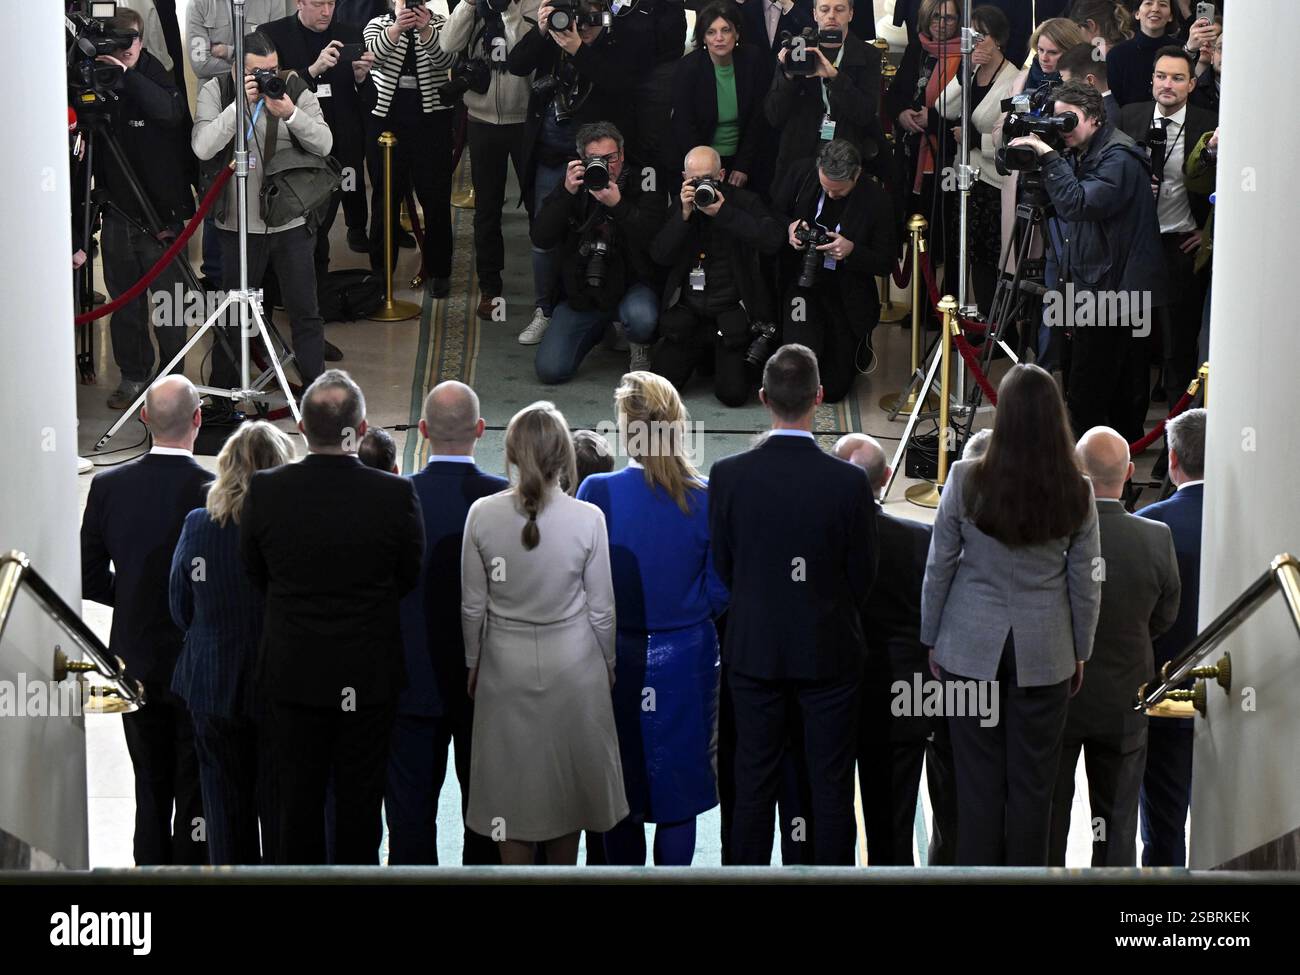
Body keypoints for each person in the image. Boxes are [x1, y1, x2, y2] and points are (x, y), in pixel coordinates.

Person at [240, 370, 424, 864]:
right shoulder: (394, 495)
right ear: (361, 429)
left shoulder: (266, 490)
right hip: (367, 678)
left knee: (296, 804)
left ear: (301, 426)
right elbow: (407, 575)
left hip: (293, 674)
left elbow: (256, 574)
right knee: (360, 807)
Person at [921, 363, 1101, 866]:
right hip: (1046, 652)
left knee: (976, 787)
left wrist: (931, 636)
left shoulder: (965, 477)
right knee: (1033, 789)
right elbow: (1085, 581)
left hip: (968, 647)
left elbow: (940, 565)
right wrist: (1080, 649)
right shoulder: (1079, 490)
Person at [709, 344, 878, 865]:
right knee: (830, 787)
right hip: (827, 656)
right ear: (819, 397)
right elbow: (861, 578)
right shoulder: (848, 482)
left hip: (755, 654)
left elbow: (725, 566)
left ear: (763, 399)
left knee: (753, 783)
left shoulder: (728, 475)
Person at [460, 402, 627, 865]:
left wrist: (473, 662)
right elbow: (602, 611)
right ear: (563, 457)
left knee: (509, 801)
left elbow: (473, 606)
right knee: (566, 794)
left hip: (504, 669)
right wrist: (607, 664)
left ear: (510, 453)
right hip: (574, 669)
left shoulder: (482, 514)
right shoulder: (588, 518)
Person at [576, 373, 729, 865]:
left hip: (615, 659)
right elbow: (721, 591)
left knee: (619, 791)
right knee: (678, 798)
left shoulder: (597, 490)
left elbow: (578, 580)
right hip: (688, 659)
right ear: (678, 426)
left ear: (625, 430)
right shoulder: (707, 498)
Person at [80, 376, 214, 866]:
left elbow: (89, 576)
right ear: (198, 419)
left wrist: (135, 596)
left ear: (143, 418)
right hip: (198, 663)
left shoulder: (109, 485)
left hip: (133, 661)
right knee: (195, 788)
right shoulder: (216, 492)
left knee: (149, 790)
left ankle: (149, 887)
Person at [1048, 426, 1180, 866]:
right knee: (1117, 826)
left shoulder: (1054, 536)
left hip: (1060, 698)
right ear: (1128, 472)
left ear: (1076, 473)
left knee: (1050, 820)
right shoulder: (1155, 537)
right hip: (1126, 701)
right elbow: (1164, 616)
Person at [387, 382, 507, 865]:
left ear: (422, 430)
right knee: (487, 818)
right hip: (488, 686)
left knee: (410, 818)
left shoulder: (396, 496)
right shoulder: (504, 499)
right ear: (480, 430)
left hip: (410, 680)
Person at [1007, 81, 1166, 442]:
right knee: (1093, 384)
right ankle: (1102, 459)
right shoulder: (1085, 149)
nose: (1063, 128)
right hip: (1092, 281)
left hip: (1114, 292)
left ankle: (1096, 467)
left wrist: (1047, 157)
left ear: (1095, 118)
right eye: (1058, 119)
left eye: (1070, 120)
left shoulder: (1119, 157)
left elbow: (1079, 204)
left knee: (1091, 389)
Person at [168, 420, 296, 866]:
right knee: (280, 813)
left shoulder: (200, 524)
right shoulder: (292, 529)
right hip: (280, 688)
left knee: (222, 815)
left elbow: (179, 604)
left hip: (212, 683)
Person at [835, 433, 957, 866]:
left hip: (835, 698)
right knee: (893, 825)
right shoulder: (920, 539)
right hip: (902, 700)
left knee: (828, 825)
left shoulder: (821, 540)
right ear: (887, 478)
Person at [192, 30, 334, 394]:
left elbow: (324, 142)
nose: (268, 77)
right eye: (258, 72)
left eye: (272, 68)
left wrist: (291, 113)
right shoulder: (217, 90)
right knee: (234, 314)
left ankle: (315, 395)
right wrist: (239, 107)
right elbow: (203, 148)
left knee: (304, 311)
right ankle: (224, 396)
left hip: (291, 221)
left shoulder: (293, 87)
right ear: (238, 69)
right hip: (238, 226)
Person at [507, 0, 655, 344]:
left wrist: (579, 50)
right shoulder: (552, 38)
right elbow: (515, 64)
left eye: (591, 20)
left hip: (600, 160)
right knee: (544, 235)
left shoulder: (621, 42)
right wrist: (543, 30)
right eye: (578, 19)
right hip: (551, 155)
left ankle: (609, 307)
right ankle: (545, 309)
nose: (583, 27)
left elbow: (621, 86)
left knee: (604, 230)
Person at [90, 9, 195, 411]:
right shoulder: (97, 78)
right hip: (119, 212)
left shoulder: (157, 72)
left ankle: (172, 384)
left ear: (142, 39)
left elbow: (170, 113)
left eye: (129, 41)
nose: (122, 50)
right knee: (125, 306)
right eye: (114, 42)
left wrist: (128, 75)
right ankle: (133, 376)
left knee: (168, 307)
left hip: (162, 214)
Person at [528, 121, 668, 380]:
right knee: (550, 370)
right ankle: (603, 331)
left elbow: (656, 243)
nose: (606, 165)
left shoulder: (645, 181)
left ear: (622, 155)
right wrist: (566, 193)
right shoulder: (573, 185)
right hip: (583, 292)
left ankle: (638, 341)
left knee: (642, 318)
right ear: (582, 159)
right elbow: (541, 238)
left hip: (632, 284)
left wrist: (619, 206)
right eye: (595, 159)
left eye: (610, 158)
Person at [650, 146, 785, 406]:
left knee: (732, 395)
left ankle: (718, 358)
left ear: (721, 175)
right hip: (690, 312)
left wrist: (724, 214)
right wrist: (684, 216)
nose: (702, 186)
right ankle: (704, 357)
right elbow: (659, 255)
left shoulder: (744, 202)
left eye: (708, 179)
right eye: (694, 180)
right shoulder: (681, 204)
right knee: (660, 384)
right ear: (684, 177)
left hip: (731, 312)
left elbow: (773, 240)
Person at [1118, 47, 1215, 403]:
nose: (1167, 84)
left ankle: (1177, 440)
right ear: (1152, 80)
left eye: (1177, 78)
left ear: (1191, 84)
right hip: (1135, 245)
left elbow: (1226, 185)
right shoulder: (1130, 117)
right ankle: (1129, 431)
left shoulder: (1209, 122)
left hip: (1181, 247)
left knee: (1178, 347)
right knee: (1131, 343)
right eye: (1161, 76)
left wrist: (1206, 233)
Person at [772, 139, 896, 401]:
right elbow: (772, 213)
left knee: (832, 388)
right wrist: (790, 228)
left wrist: (852, 251)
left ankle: (857, 348)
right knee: (798, 368)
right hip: (802, 282)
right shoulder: (801, 173)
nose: (830, 196)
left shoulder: (877, 200)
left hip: (845, 290)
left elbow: (886, 262)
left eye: (838, 192)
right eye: (825, 188)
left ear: (857, 174)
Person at [1136, 406, 1205, 867]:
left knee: (1163, 821)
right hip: (1250, 690)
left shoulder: (1152, 524)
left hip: (1167, 692)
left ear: (1173, 460)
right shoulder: (1258, 518)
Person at [440, 0, 539, 319]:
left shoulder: (536, 4)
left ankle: (546, 292)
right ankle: (490, 289)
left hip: (525, 118)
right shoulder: (474, 6)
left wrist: (510, 12)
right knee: (487, 209)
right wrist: (469, 5)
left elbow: (528, 54)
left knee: (539, 206)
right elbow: (448, 44)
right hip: (482, 120)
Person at [187, 1, 297, 286]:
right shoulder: (201, 4)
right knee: (220, 196)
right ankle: (216, 279)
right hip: (221, 106)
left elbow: (274, 52)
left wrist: (226, 50)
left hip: (267, 111)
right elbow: (200, 64)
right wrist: (239, 64)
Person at [262, 0, 376, 272]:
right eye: (317, 4)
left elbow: (369, 102)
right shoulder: (272, 35)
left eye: (331, 3)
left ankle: (318, 285)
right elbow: (269, 93)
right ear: (299, 3)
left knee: (324, 224)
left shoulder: (350, 33)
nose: (326, 11)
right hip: (295, 149)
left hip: (342, 143)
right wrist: (312, 71)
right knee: (302, 225)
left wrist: (362, 78)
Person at [363, 0, 457, 297]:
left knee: (435, 196)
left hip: (432, 122)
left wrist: (426, 30)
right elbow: (373, 58)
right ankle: (381, 272)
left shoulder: (441, 24)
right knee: (385, 195)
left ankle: (439, 270)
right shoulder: (378, 24)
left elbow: (446, 61)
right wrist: (396, 28)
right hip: (386, 120)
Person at [935, 5, 1018, 315]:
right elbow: (943, 107)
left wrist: (974, 139)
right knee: (967, 252)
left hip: (993, 182)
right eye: (970, 36)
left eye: (979, 37)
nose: (973, 42)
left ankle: (994, 324)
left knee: (989, 258)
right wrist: (964, 70)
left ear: (996, 40)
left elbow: (1010, 138)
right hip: (966, 177)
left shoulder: (1014, 79)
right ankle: (973, 319)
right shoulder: (970, 71)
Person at [765, 0, 883, 185]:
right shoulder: (797, 50)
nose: (831, 16)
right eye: (825, 9)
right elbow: (774, 115)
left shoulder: (869, 55)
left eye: (839, 9)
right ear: (814, 14)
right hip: (800, 152)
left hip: (847, 147)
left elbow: (865, 113)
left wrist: (835, 78)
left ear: (851, 14)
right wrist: (786, 75)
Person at [671, 2, 773, 193]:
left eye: (725, 30)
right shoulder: (689, 68)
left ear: (737, 34)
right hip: (702, 159)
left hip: (744, 156)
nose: (719, 38)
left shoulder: (753, 60)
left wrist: (743, 165)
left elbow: (758, 118)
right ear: (703, 37)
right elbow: (684, 124)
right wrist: (706, 171)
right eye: (711, 32)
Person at [1106, 0, 1178, 106]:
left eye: (1163, 4)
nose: (1155, 9)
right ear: (1137, 13)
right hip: (1129, 120)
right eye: (1148, 3)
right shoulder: (1117, 54)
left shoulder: (1181, 51)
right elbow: (1115, 101)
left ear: (1171, 16)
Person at [1058, 42, 1121, 124]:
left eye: (1070, 84)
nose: (1066, 90)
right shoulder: (1105, 109)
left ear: (1090, 80)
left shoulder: (1106, 117)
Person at [1068, 0, 1134, 58]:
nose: (1078, 33)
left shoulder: (1096, 57)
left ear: (1091, 25)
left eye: (1079, 28)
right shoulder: (1131, 48)